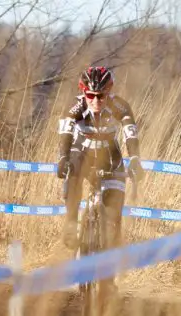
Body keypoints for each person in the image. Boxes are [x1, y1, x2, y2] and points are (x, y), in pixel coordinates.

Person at [56, 66, 145, 255]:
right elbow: (65, 132)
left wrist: (135, 158)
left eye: (101, 96)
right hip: (82, 153)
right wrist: (63, 157)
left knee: (113, 220)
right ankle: (72, 223)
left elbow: (130, 132)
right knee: (72, 169)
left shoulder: (119, 106)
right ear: (83, 92)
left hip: (110, 157)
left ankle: (108, 272)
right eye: (90, 95)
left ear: (109, 92)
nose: (96, 100)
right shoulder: (75, 107)